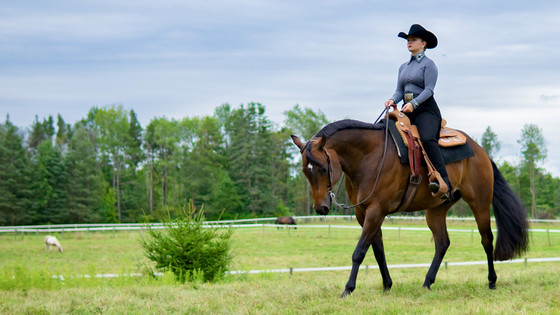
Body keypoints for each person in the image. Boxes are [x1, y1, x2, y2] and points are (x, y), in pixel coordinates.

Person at [384, 24, 452, 200]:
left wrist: (414, 103)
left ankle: (445, 183)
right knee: (384, 131)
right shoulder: (403, 67)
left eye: (413, 39)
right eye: (408, 40)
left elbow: (429, 90)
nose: (409, 42)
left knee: (428, 139)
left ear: (423, 44)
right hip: (407, 110)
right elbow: (400, 90)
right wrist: (392, 99)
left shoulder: (429, 65)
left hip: (426, 110)